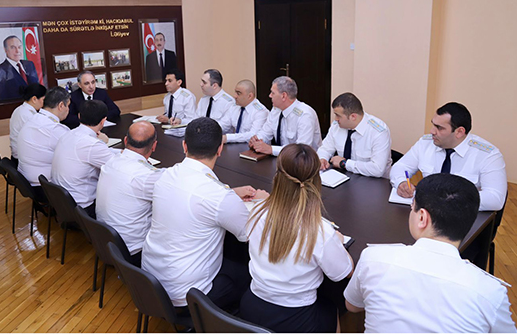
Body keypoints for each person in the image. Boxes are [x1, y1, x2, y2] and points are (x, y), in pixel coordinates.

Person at [344, 173, 517, 332]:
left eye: (412, 207)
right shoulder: (490, 292)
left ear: (422, 218)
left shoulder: (373, 258)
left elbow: (352, 305)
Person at [142, 117, 266, 309]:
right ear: (219, 149)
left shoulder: (164, 176)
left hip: (150, 282)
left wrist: (230, 192)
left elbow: (195, 196)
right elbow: (250, 233)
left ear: (184, 146)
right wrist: (264, 203)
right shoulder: (218, 196)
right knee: (249, 271)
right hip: (188, 296)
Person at [240, 144, 354, 333]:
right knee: (332, 307)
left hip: (251, 306)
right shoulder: (321, 231)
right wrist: (338, 242)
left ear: (277, 177)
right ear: (316, 181)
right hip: (297, 320)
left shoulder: (257, 211)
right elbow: (345, 273)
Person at [390, 102, 507, 211]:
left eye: (439, 128)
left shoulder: (488, 155)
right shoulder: (425, 143)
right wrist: (401, 182)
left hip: (463, 215)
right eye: (433, 125)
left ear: (459, 132)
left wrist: (448, 199)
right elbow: (401, 166)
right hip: (427, 212)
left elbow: (495, 199)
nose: (432, 131)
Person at [95, 121, 163, 267]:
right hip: (132, 251)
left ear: (125, 141)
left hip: (104, 242)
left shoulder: (110, 161)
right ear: (154, 146)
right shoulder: (146, 176)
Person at [51, 100, 119, 218]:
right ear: (103, 121)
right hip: (83, 208)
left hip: (63, 202)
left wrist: (118, 152)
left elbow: (96, 153)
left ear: (79, 116)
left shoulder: (68, 133)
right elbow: (118, 167)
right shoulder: (92, 144)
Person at [317, 92, 392, 178]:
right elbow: (325, 148)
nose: (336, 119)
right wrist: (322, 158)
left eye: (338, 115)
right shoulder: (337, 126)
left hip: (374, 181)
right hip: (344, 178)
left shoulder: (378, 132)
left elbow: (377, 169)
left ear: (353, 117)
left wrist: (344, 163)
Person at [249, 76, 322, 156]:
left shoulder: (305, 114)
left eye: (273, 93)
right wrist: (256, 140)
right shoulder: (275, 110)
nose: (270, 95)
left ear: (283, 96)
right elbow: (265, 132)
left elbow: (301, 150)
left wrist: (271, 149)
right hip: (281, 158)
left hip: (303, 160)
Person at [17, 87, 70, 189]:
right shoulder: (54, 128)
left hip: (27, 180)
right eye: (68, 105)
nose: (68, 110)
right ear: (61, 105)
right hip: (44, 186)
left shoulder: (34, 118)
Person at [0, 35, 40, 101]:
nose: (17, 51)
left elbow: (37, 87)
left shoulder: (30, 64)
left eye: (19, 47)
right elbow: (2, 98)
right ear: (5, 50)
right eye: (13, 47)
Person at [221, 80, 269, 144]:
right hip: (237, 145)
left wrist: (227, 138)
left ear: (250, 96)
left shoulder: (260, 112)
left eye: (238, 93)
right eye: (235, 92)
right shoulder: (235, 107)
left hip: (253, 147)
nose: (235, 96)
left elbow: (253, 135)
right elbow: (223, 124)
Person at [9, 83, 46, 164]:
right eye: (43, 100)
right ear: (34, 99)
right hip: (22, 159)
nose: (44, 103)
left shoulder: (20, 109)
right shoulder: (28, 115)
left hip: (18, 154)